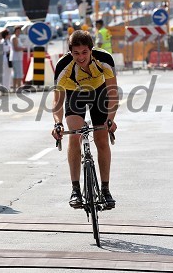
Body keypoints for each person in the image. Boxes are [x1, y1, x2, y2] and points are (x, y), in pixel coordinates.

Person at [51, 30, 118, 210]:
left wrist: (110, 120)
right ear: (70, 51)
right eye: (76, 53)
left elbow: (112, 93)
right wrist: (58, 123)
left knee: (102, 138)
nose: (80, 57)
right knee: (74, 135)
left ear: (91, 50)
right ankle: (75, 190)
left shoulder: (104, 59)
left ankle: (105, 189)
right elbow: (57, 101)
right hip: (75, 94)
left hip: (99, 92)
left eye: (84, 52)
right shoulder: (63, 65)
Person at [9, 26, 27, 91]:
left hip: (19, 57)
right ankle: (16, 87)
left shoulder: (18, 38)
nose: (19, 32)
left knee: (18, 73)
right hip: (15, 57)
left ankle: (17, 87)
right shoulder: (14, 38)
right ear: (15, 31)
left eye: (20, 31)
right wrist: (23, 48)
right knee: (17, 73)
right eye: (18, 31)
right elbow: (16, 48)